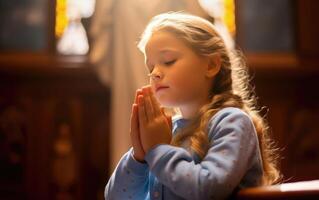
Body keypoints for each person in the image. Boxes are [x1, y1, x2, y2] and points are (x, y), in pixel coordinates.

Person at [105, 12, 281, 200]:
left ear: (211, 65)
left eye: (168, 61)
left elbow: (209, 190)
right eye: (150, 67)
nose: (155, 73)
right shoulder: (166, 130)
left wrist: (157, 149)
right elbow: (115, 197)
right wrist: (138, 157)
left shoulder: (232, 121)